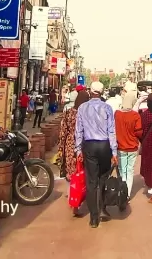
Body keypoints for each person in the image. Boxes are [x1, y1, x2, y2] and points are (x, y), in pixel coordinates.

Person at [74, 81, 118, 228]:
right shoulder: (107, 108)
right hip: (104, 145)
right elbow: (111, 130)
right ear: (101, 92)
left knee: (91, 182)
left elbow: (78, 131)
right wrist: (114, 151)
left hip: (89, 146)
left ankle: (94, 218)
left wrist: (78, 150)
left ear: (90, 91)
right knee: (103, 178)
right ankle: (102, 208)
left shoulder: (82, 108)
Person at [113, 88, 142, 207]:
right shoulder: (136, 116)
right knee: (129, 171)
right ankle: (127, 194)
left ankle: (121, 192)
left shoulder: (117, 114)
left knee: (121, 170)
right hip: (132, 147)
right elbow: (139, 132)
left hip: (120, 147)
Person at [57, 90, 89, 185]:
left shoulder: (69, 112)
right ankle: (81, 191)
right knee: (82, 168)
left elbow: (63, 131)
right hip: (84, 143)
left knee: (71, 168)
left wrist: (61, 147)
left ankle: (72, 192)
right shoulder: (86, 113)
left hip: (70, 143)